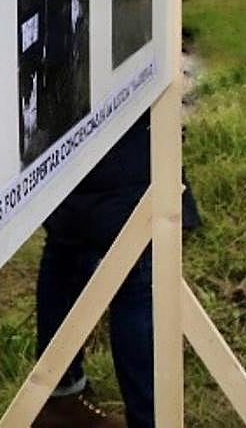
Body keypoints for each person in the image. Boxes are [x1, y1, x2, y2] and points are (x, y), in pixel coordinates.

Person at [35, 112, 203, 427]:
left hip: (64, 117)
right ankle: (147, 418)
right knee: (137, 273)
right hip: (114, 119)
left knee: (67, 242)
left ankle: (59, 396)